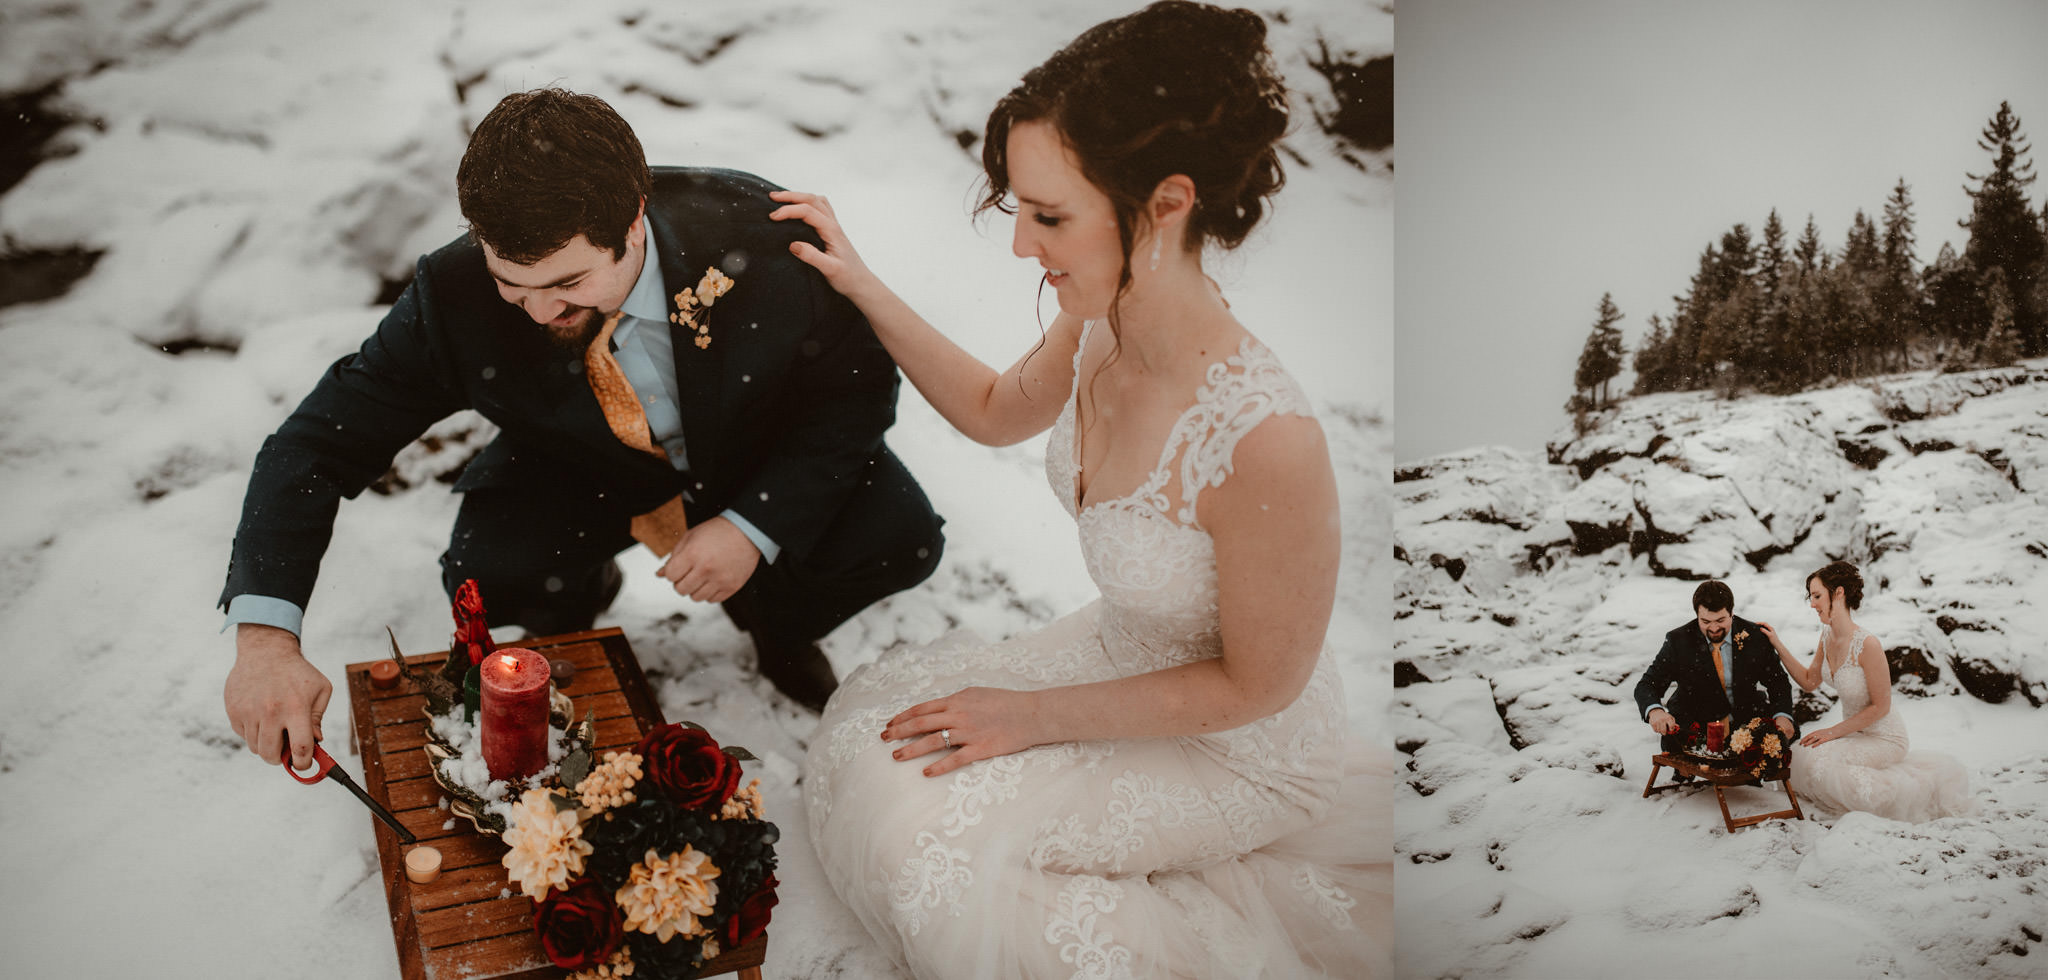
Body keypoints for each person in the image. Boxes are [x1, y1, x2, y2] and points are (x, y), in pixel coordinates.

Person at [772, 3, 1388, 976]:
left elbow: (1253, 683)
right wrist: (858, 283)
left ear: (1167, 202)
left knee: (933, 846)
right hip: (1116, 649)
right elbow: (987, 404)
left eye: (1048, 215)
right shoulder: (1102, 319)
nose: (1020, 245)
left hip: (1240, 743)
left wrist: (1021, 716)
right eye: (1017, 207)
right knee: (880, 756)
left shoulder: (1266, 437)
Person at [221, 88, 945, 771]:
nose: (538, 313)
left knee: (897, 538)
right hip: (577, 465)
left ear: (632, 220)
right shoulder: (452, 295)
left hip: (751, 454)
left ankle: (779, 628)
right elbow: (315, 444)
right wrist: (265, 641)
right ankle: (572, 606)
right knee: (493, 570)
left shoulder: (761, 235)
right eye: (514, 285)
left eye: (567, 284)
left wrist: (753, 528)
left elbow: (857, 390)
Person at [1765, 561, 1975, 822]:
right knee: (1799, 756)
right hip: (1855, 734)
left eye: (1817, 596)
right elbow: (1809, 681)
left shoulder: (1868, 644)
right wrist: (1776, 643)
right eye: (1811, 597)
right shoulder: (1827, 635)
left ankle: (1909, 795)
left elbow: (1881, 706)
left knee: (1823, 766)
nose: (1812, 604)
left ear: (1838, 593)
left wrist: (1831, 733)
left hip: (1886, 737)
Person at [1634, 580, 1798, 752]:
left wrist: (1782, 716)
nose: (1713, 628)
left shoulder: (1754, 636)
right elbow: (1647, 685)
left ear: (1731, 613)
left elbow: (1777, 681)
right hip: (1693, 729)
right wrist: (1655, 712)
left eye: (1720, 620)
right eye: (1705, 621)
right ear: (1696, 614)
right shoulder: (1678, 641)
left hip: (1746, 726)